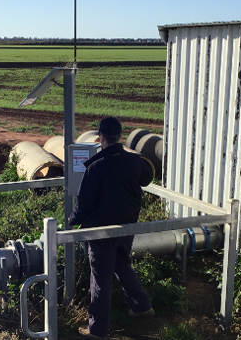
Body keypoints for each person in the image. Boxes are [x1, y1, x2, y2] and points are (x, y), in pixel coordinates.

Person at [70, 116, 155, 340]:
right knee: (122, 264)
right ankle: (141, 306)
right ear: (121, 137)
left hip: (101, 231)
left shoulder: (96, 167)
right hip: (126, 227)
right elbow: (147, 178)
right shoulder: (135, 161)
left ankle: (97, 331)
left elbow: (84, 203)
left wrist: (71, 221)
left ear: (101, 138)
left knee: (100, 279)